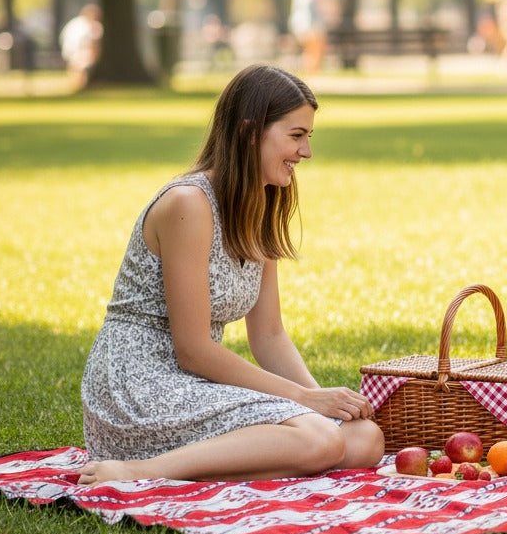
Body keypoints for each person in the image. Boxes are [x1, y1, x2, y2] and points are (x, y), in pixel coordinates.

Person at [78, 64, 384, 485]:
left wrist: (322, 403)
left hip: (196, 385)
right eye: (296, 136)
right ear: (249, 132)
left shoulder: (261, 202)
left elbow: (270, 336)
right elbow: (194, 350)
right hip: (139, 385)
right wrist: (303, 401)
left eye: (308, 137)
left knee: (363, 439)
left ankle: (224, 461)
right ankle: (140, 471)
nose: (306, 152)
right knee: (321, 441)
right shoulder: (188, 204)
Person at [288, 0, 329, 73]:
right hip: (310, 27)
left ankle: (310, 71)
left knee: (309, 51)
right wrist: (313, 28)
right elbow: (310, 13)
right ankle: (313, 70)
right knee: (314, 51)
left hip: (300, 27)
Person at [60, 4, 103, 88]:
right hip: (81, 51)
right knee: (80, 69)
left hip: (70, 51)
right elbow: (93, 42)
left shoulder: (73, 23)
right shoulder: (90, 25)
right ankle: (79, 85)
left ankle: (77, 85)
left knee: (75, 69)